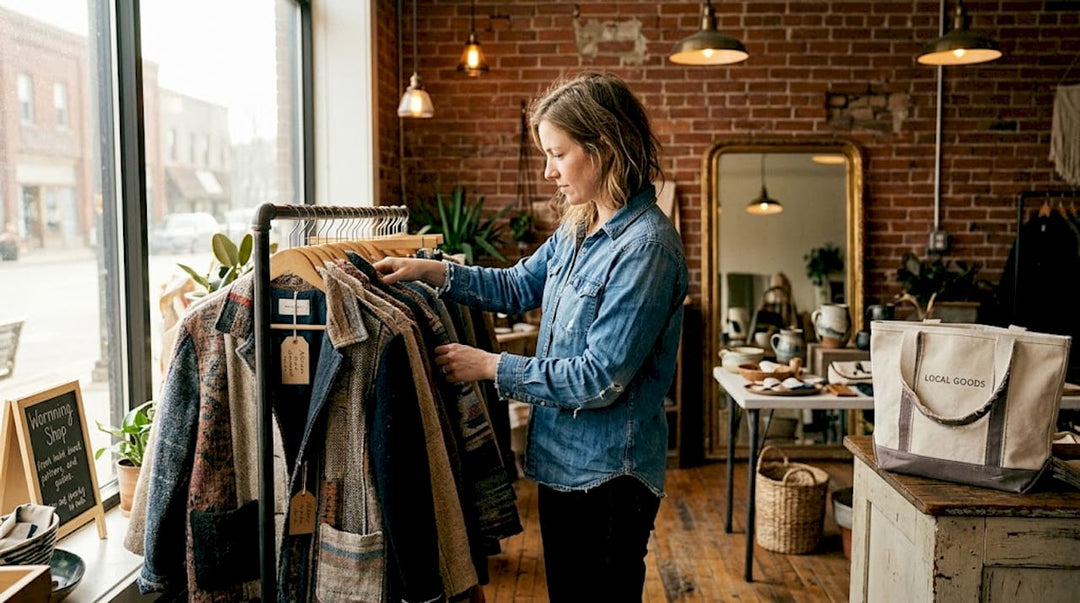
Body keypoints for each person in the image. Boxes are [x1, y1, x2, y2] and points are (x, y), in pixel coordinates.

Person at [374, 71, 688, 601]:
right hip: (560, 462)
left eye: (558, 154)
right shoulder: (579, 226)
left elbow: (599, 378)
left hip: (609, 477)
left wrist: (490, 366)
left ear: (604, 147)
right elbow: (518, 285)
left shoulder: (647, 248)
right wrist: (432, 271)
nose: (548, 171)